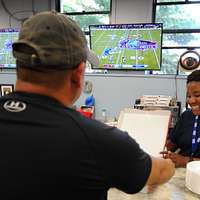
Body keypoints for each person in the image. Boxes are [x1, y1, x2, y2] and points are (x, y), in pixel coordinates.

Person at [0, 11, 174, 199]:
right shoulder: (99, 141)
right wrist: (169, 164)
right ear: (78, 74)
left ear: (19, 65)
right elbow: (162, 171)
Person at [161, 70, 200, 167]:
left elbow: (183, 160)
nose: (191, 100)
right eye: (188, 96)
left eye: (197, 95)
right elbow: (170, 145)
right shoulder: (187, 116)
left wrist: (185, 161)